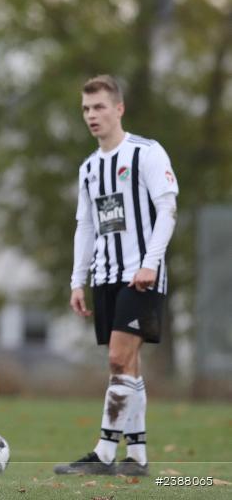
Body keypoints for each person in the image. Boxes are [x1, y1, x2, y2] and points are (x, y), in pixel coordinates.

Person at [54, 75, 178, 476]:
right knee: (128, 364)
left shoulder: (147, 153)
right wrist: (78, 280)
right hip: (105, 275)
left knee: (118, 359)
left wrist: (151, 262)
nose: (92, 115)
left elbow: (167, 209)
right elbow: (85, 226)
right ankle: (137, 457)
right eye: (86, 109)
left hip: (140, 275)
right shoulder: (89, 167)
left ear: (119, 109)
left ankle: (105, 453)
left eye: (100, 107)